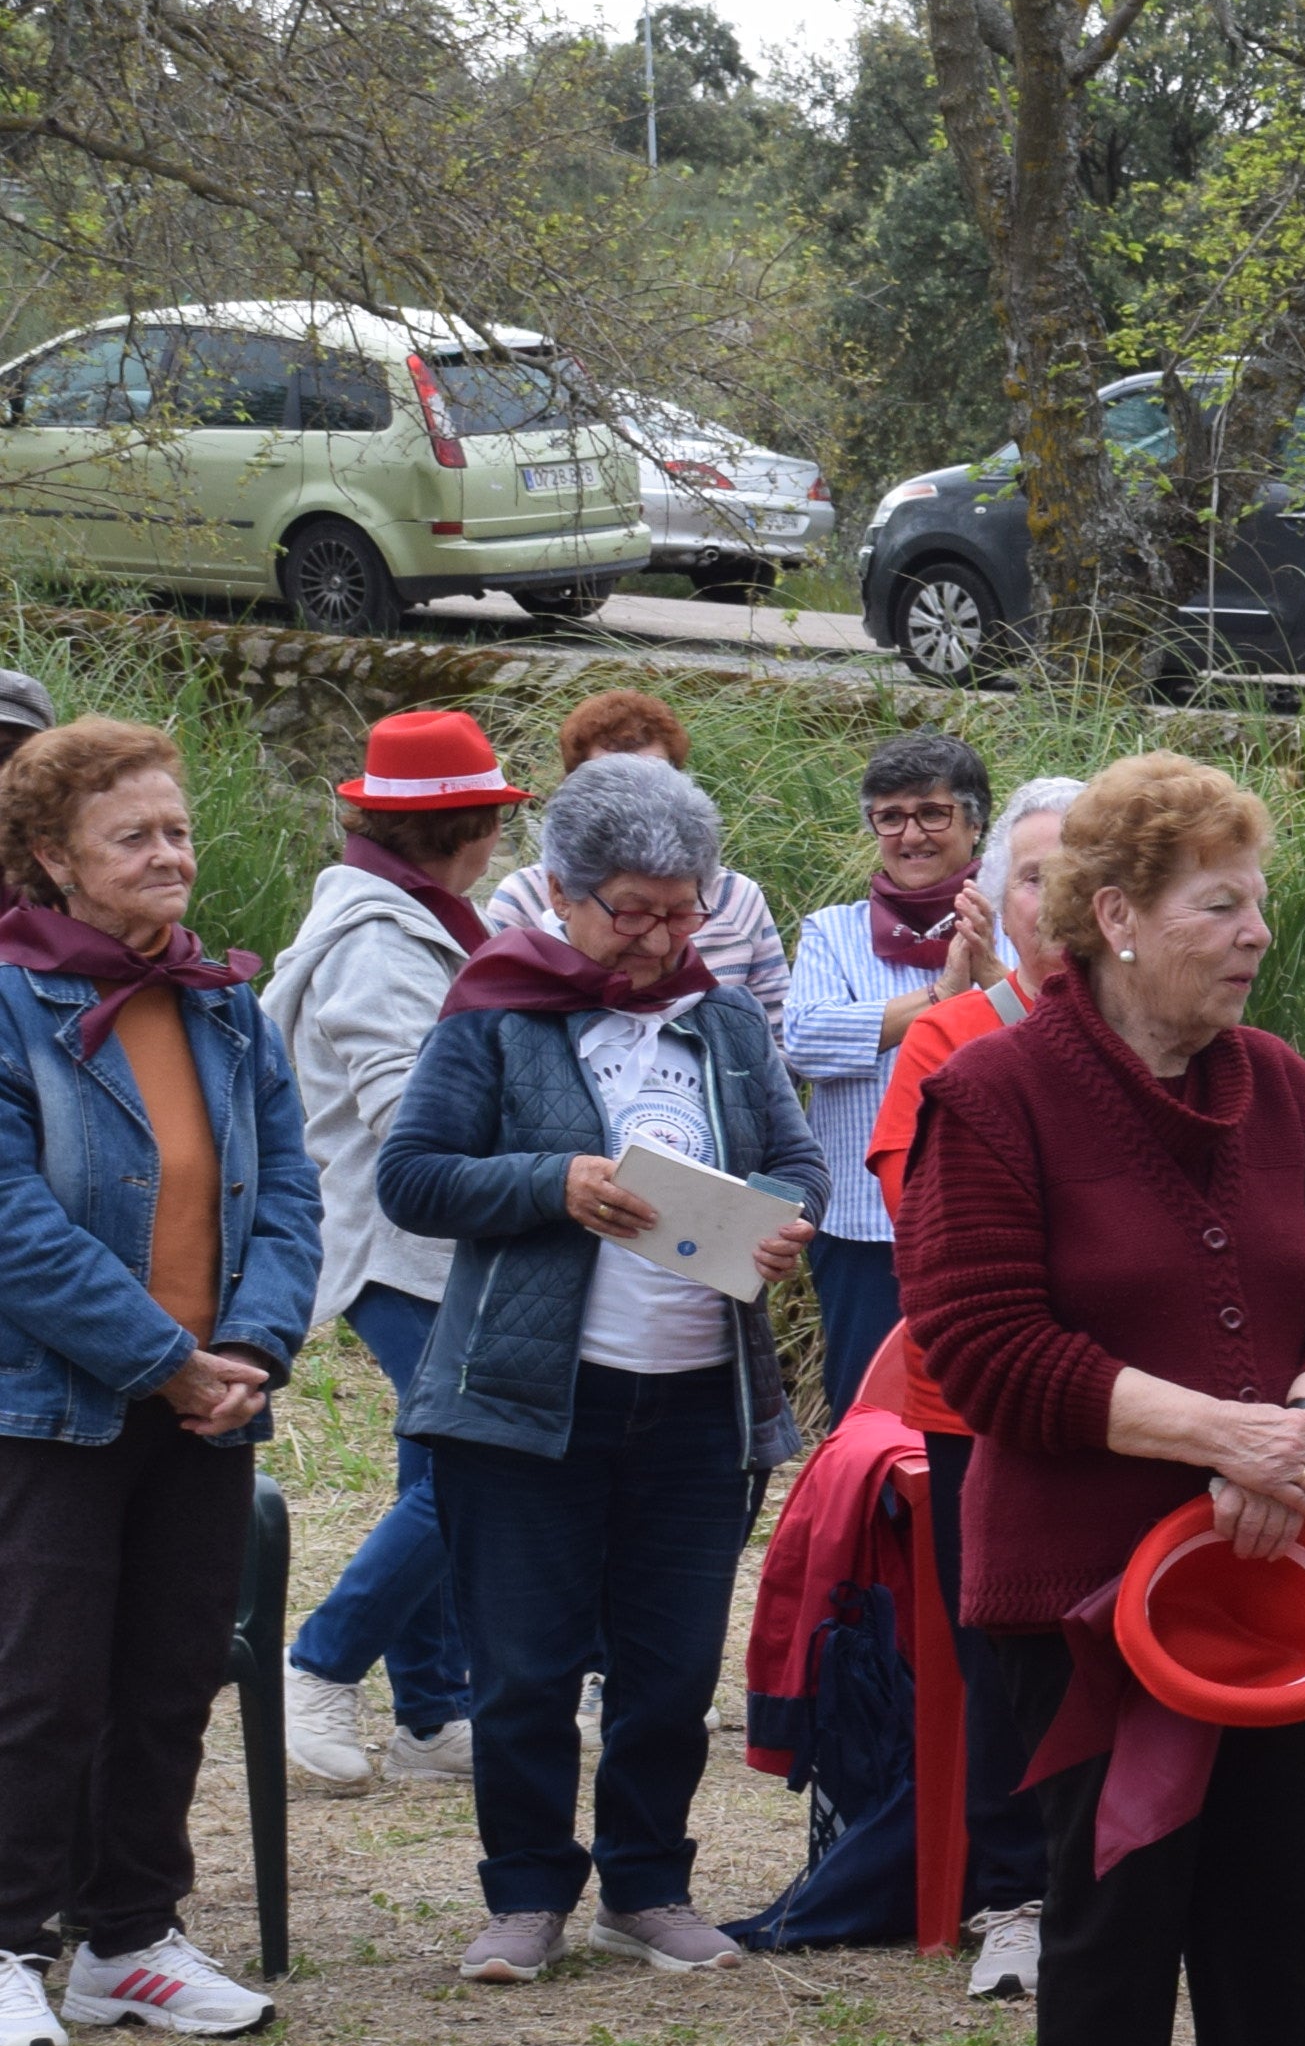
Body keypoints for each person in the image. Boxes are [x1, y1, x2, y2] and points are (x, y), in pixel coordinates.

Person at [899, 755, 1305, 2046]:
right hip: (1082, 1583)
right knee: (1113, 1906)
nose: (1257, 932)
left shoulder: (1285, 1085)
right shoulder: (993, 1095)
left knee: (1268, 1901)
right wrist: (1219, 1435)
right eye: (1222, 905)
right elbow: (979, 1345)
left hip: (1269, 1572)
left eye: (1257, 900)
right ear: (1114, 917)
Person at [376, 756, 826, 1990]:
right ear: (563, 896)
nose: (661, 937)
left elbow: (797, 1159)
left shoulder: (721, 1019)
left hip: (697, 1401)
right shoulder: (498, 1012)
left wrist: (784, 1219)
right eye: (633, 910)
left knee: (670, 1669)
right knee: (522, 1667)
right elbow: (410, 1178)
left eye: (684, 909)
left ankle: (647, 1887)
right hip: (528, 1402)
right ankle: (525, 1894)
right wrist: (552, 1184)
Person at [0, 716, 323, 2046]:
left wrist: (243, 1353)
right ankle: (14, 1941)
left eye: (177, 830)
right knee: (39, 1683)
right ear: (50, 861)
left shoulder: (221, 1005)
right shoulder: (14, 1004)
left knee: (171, 1671)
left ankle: (128, 1938)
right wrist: (161, 1358)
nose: (168, 856)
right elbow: (11, 1219)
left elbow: (293, 1196)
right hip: (52, 1408)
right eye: (130, 837)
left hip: (207, 1401)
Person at [271, 708, 537, 1792]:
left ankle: (432, 1716)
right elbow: (405, 1124)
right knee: (471, 1474)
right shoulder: (381, 944)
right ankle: (318, 1665)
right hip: (403, 1250)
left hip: (426, 1250)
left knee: (437, 1469)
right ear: (470, 830)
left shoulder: (414, 920)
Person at [861, 775, 1083, 2002]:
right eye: (1032, 875)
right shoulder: (951, 1038)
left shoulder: (1168, 1038)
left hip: (1131, 1403)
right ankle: (1015, 1896)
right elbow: (918, 1214)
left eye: (1075, 872)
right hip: (980, 1409)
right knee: (1001, 1650)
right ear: (995, 898)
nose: (1052, 900)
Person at [784, 733, 999, 1417]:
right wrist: (940, 1000)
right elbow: (807, 1040)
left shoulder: (1020, 926)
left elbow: (1053, 1034)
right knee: (869, 1424)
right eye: (890, 816)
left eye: (933, 813)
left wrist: (988, 977)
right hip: (862, 1224)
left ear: (975, 824)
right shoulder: (831, 931)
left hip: (995, 1221)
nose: (912, 835)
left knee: (983, 1413)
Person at [485, 692, 790, 1035]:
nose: (636, 796)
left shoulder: (738, 898)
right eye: (608, 779)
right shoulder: (524, 895)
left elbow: (778, 1035)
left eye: (653, 776)